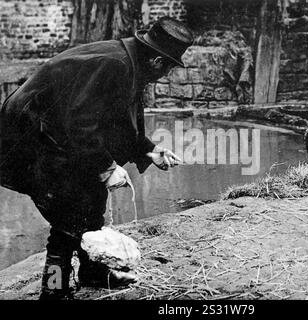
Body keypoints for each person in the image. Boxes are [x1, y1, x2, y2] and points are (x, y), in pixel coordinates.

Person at [0, 16, 194, 299]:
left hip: (56, 131)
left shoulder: (130, 62)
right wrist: (106, 167)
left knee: (92, 202)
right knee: (66, 222)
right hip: (32, 135)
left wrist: (148, 150)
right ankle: (53, 289)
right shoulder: (115, 65)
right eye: (168, 68)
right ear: (157, 62)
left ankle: (92, 272)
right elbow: (79, 124)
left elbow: (116, 122)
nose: (165, 75)